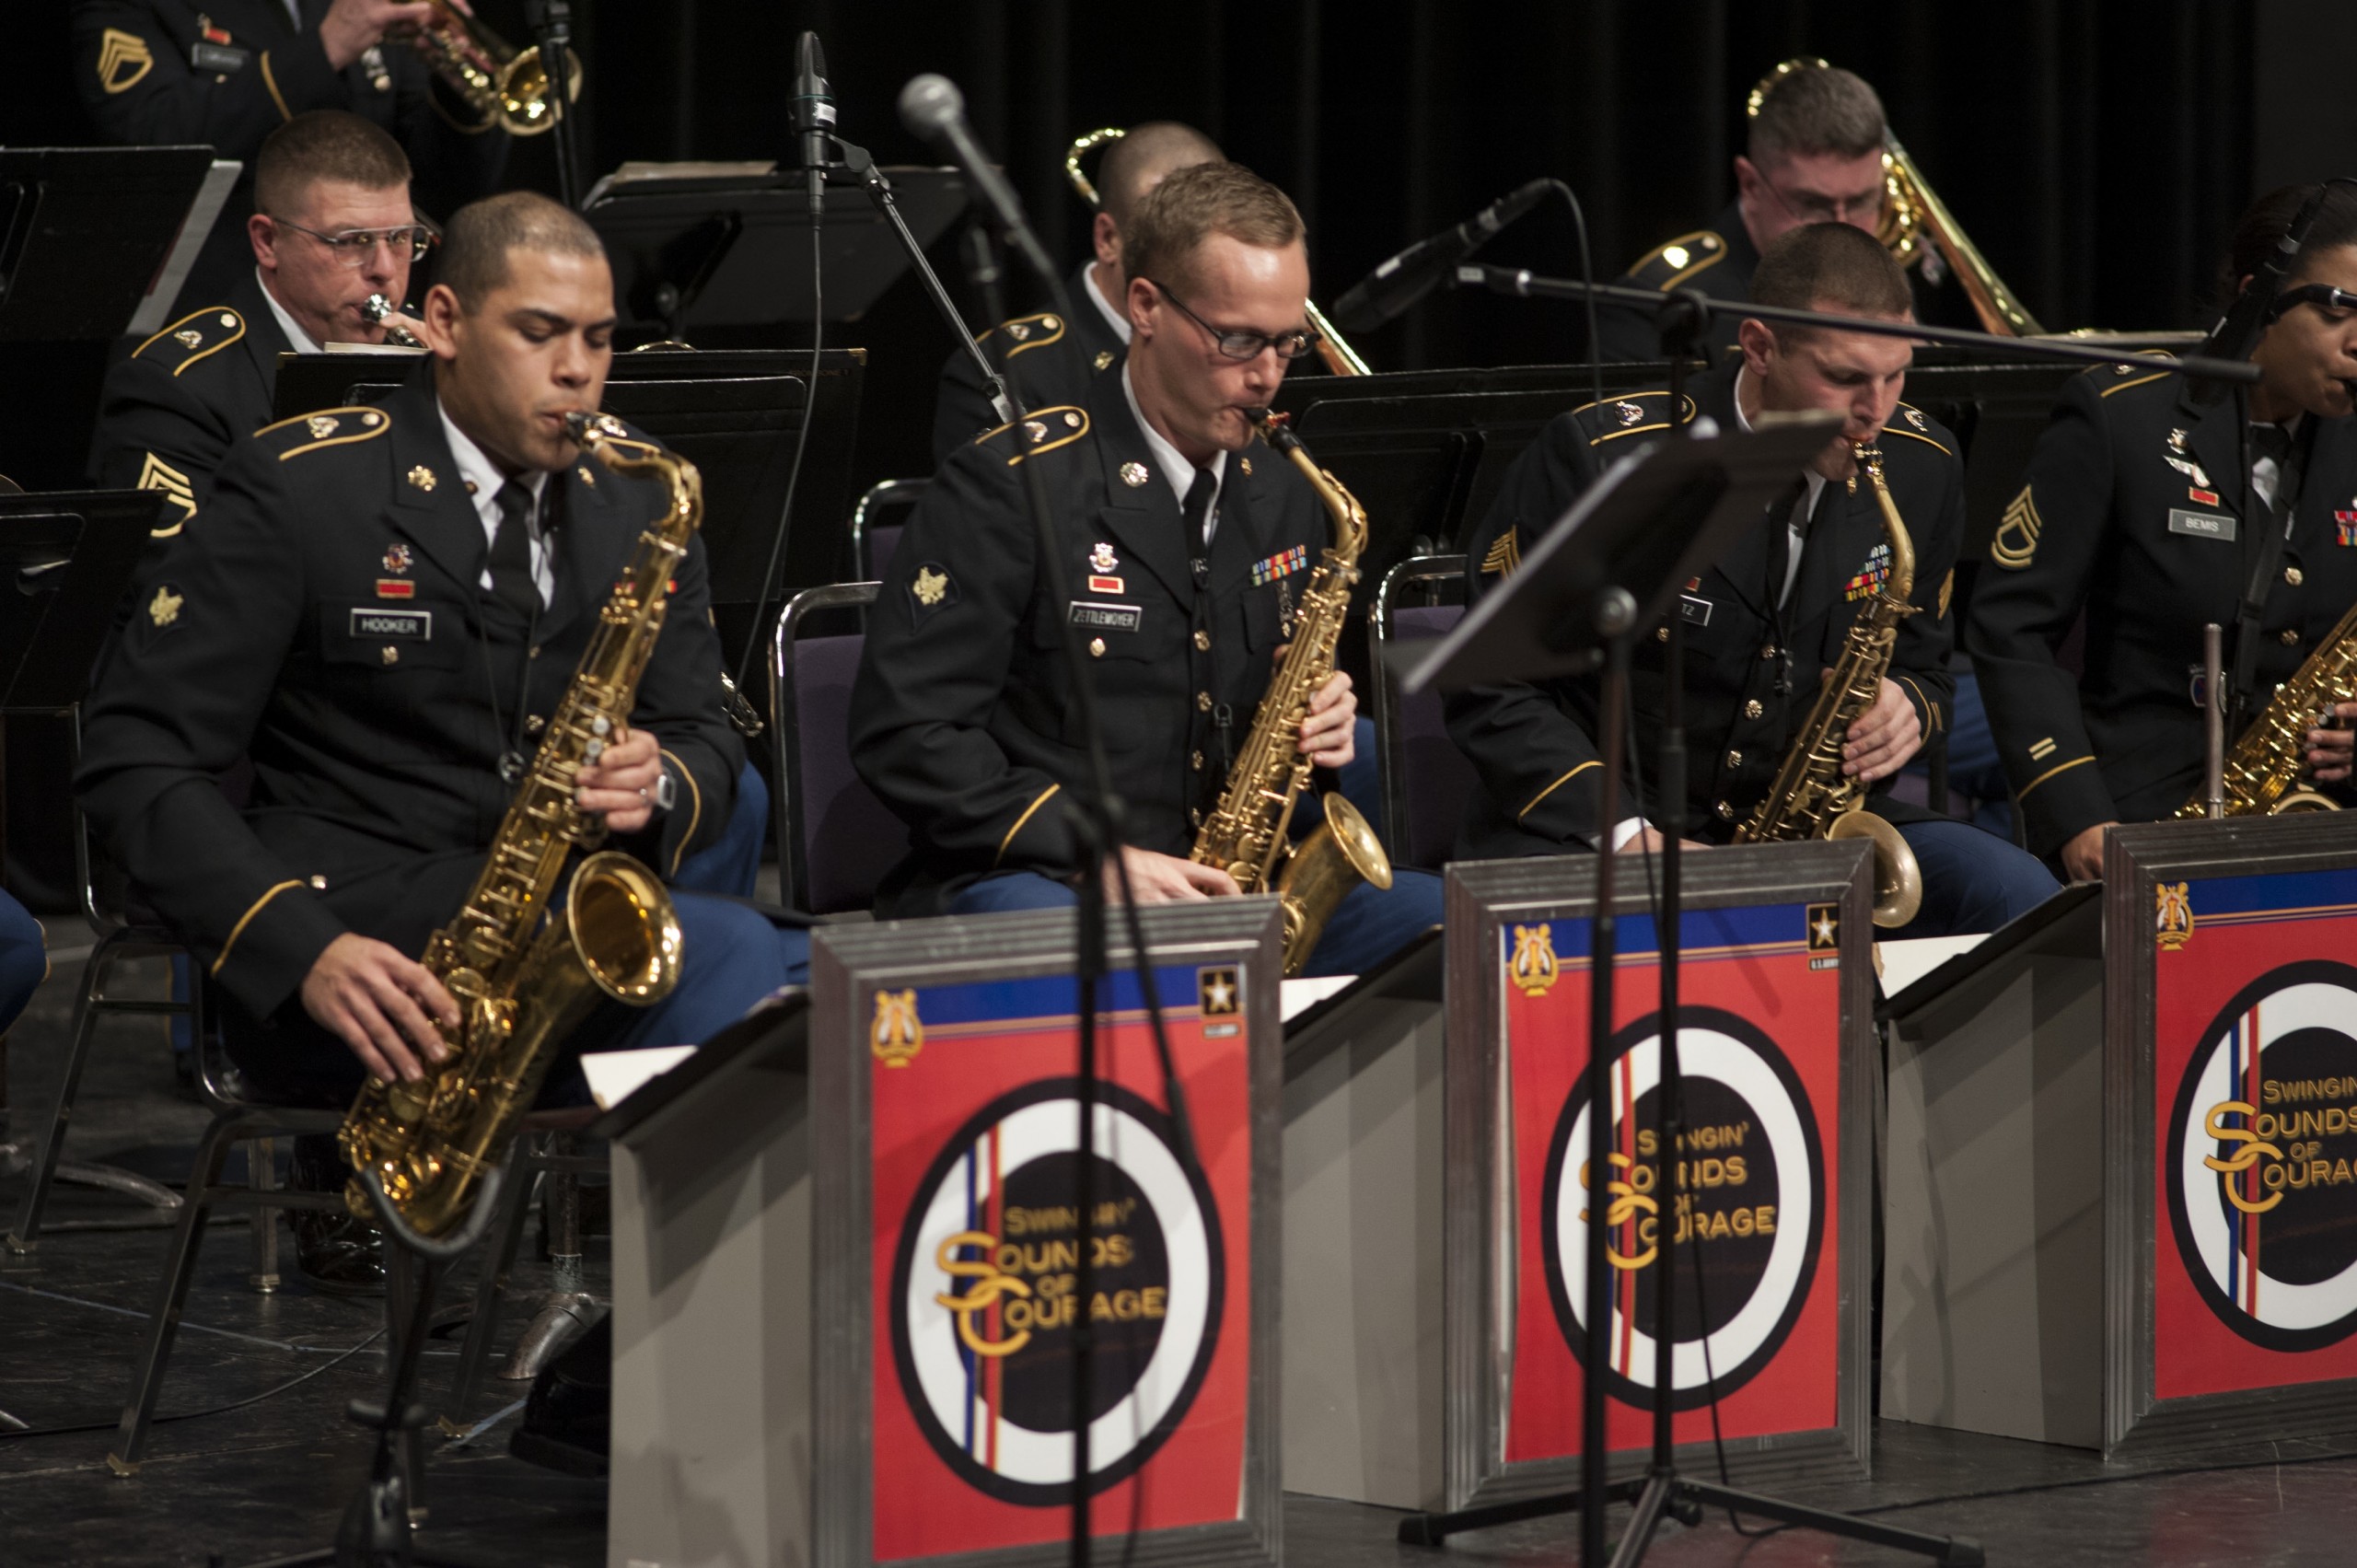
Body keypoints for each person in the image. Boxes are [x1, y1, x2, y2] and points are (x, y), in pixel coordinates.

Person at [75, 192, 806, 1290]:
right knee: (743, 957)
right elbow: (134, 757)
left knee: (856, 980)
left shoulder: (637, 495)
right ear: (446, 320)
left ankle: (679, 1343)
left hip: (549, 941)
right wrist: (298, 945)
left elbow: (708, 731)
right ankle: (661, 1367)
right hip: (353, 957)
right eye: (540, 332)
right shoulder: (302, 486)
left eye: (598, 339)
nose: (577, 371)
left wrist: (663, 777)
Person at [858, 161, 1443, 975]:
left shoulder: (1285, 490)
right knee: (1106, 967)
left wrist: (1324, 714)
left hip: (1223, 880)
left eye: (1289, 341)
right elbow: (907, 732)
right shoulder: (1013, 483)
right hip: (1042, 875)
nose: (1269, 373)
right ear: (1145, 308)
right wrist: (1093, 853)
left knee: (1449, 928)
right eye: (1237, 339)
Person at [1448, 223, 2057, 939]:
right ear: (1760, 346)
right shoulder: (1605, 459)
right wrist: (1628, 833)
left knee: (2019, 893)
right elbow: (1491, 685)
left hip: (1807, 829)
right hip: (1606, 831)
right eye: (1845, 377)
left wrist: (1908, 711)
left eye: (1896, 375)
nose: (1876, 411)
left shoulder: (1925, 464)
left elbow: (1925, 665)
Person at [1966, 184, 2357, 878]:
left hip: (2322, 826)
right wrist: (2078, 816)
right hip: (2138, 825)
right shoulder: (2121, 418)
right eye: (2338, 310)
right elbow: (2012, 628)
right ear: (2255, 297)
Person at [90, 110, 427, 535]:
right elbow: (186, 584)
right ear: (268, 242)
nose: (384, 269)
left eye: (400, 238)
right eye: (352, 242)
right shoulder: (176, 390)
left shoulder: (434, 363)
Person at [72, 0, 506, 315]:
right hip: (214, 313)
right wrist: (324, 48)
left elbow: (446, 189)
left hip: (366, 315)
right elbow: (158, 138)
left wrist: (458, 84)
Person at [931, 122, 1223, 462]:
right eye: (1170, 239)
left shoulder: (1243, 348)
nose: (1199, 265)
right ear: (1108, 240)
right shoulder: (999, 372)